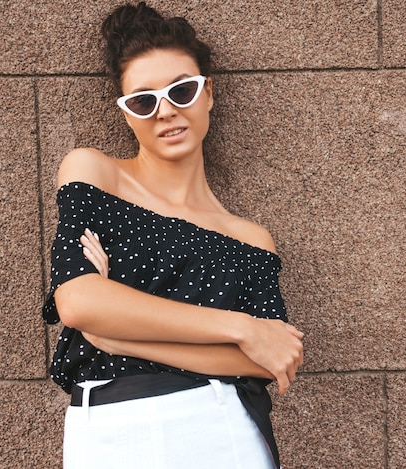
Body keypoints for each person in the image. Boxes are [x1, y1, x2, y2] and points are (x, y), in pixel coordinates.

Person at [41, 2, 303, 468]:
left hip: (228, 430)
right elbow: (79, 302)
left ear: (208, 94)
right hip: (113, 431)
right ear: (126, 114)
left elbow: (271, 360)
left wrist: (117, 337)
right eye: (143, 100)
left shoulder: (250, 238)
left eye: (182, 91)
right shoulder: (95, 173)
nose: (165, 112)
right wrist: (240, 328)